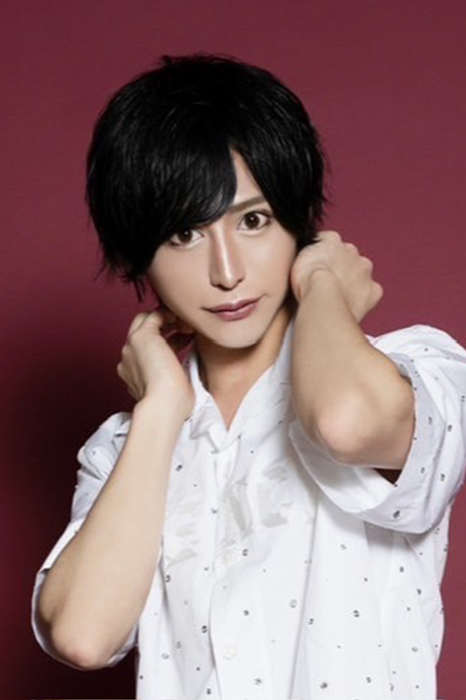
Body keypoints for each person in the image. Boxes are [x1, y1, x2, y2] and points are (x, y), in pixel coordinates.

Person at [32, 54, 466, 700]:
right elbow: (82, 637)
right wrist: (161, 410)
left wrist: (322, 285)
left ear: (299, 222)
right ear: (139, 257)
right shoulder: (125, 447)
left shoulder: (419, 370)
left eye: (254, 220)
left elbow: (345, 423)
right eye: (184, 233)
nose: (228, 271)